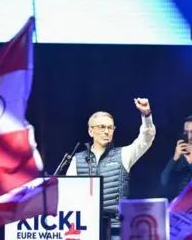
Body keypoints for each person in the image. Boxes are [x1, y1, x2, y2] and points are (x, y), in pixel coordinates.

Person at [66, 98, 156, 239]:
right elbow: (68, 195)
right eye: (101, 127)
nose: (106, 131)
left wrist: (146, 115)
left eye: (110, 127)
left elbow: (146, 139)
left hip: (117, 229)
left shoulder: (124, 154)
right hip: (86, 229)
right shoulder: (77, 159)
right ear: (91, 131)